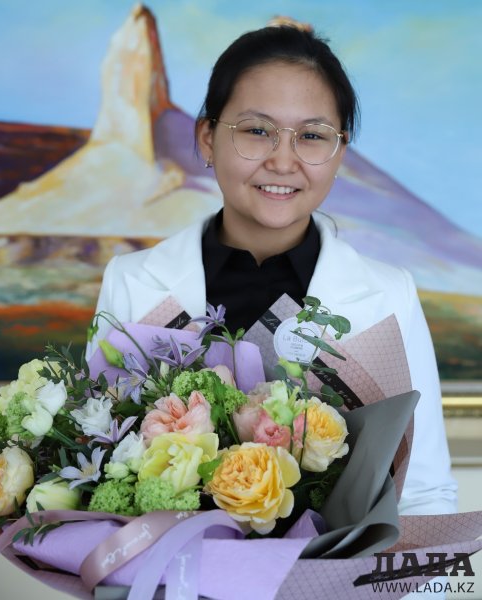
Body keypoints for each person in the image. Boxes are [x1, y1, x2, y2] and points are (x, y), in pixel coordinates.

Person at [88, 24, 457, 521]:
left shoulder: (389, 294)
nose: (284, 161)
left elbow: (423, 495)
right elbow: (96, 468)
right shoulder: (132, 282)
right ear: (207, 138)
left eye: (312, 136)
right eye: (257, 131)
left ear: (340, 153)